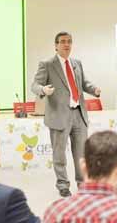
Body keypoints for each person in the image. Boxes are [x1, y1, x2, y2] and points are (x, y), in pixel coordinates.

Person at [31, 32, 101, 197]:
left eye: (69, 41)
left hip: (79, 114)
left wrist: (94, 89)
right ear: (56, 45)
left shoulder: (77, 63)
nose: (66, 44)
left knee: (81, 154)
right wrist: (43, 90)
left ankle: (82, 183)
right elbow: (35, 85)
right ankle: (63, 185)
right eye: (63, 42)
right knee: (59, 153)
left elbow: (84, 83)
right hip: (58, 115)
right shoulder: (47, 64)